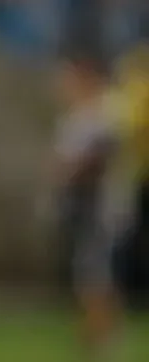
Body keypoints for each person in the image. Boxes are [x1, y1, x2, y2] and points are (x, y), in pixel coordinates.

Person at [54, 54, 133, 362]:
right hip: (82, 207)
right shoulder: (78, 115)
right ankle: (97, 333)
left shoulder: (104, 114)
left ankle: (101, 337)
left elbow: (99, 158)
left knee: (94, 272)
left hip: (97, 207)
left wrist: (70, 172)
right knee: (90, 271)